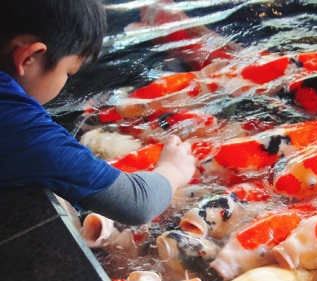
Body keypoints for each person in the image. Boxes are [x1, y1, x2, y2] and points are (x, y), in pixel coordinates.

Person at [0, 0, 197, 225]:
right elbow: (139, 202)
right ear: (29, 58)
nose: (66, 81)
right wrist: (173, 170)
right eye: (69, 72)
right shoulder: (21, 129)